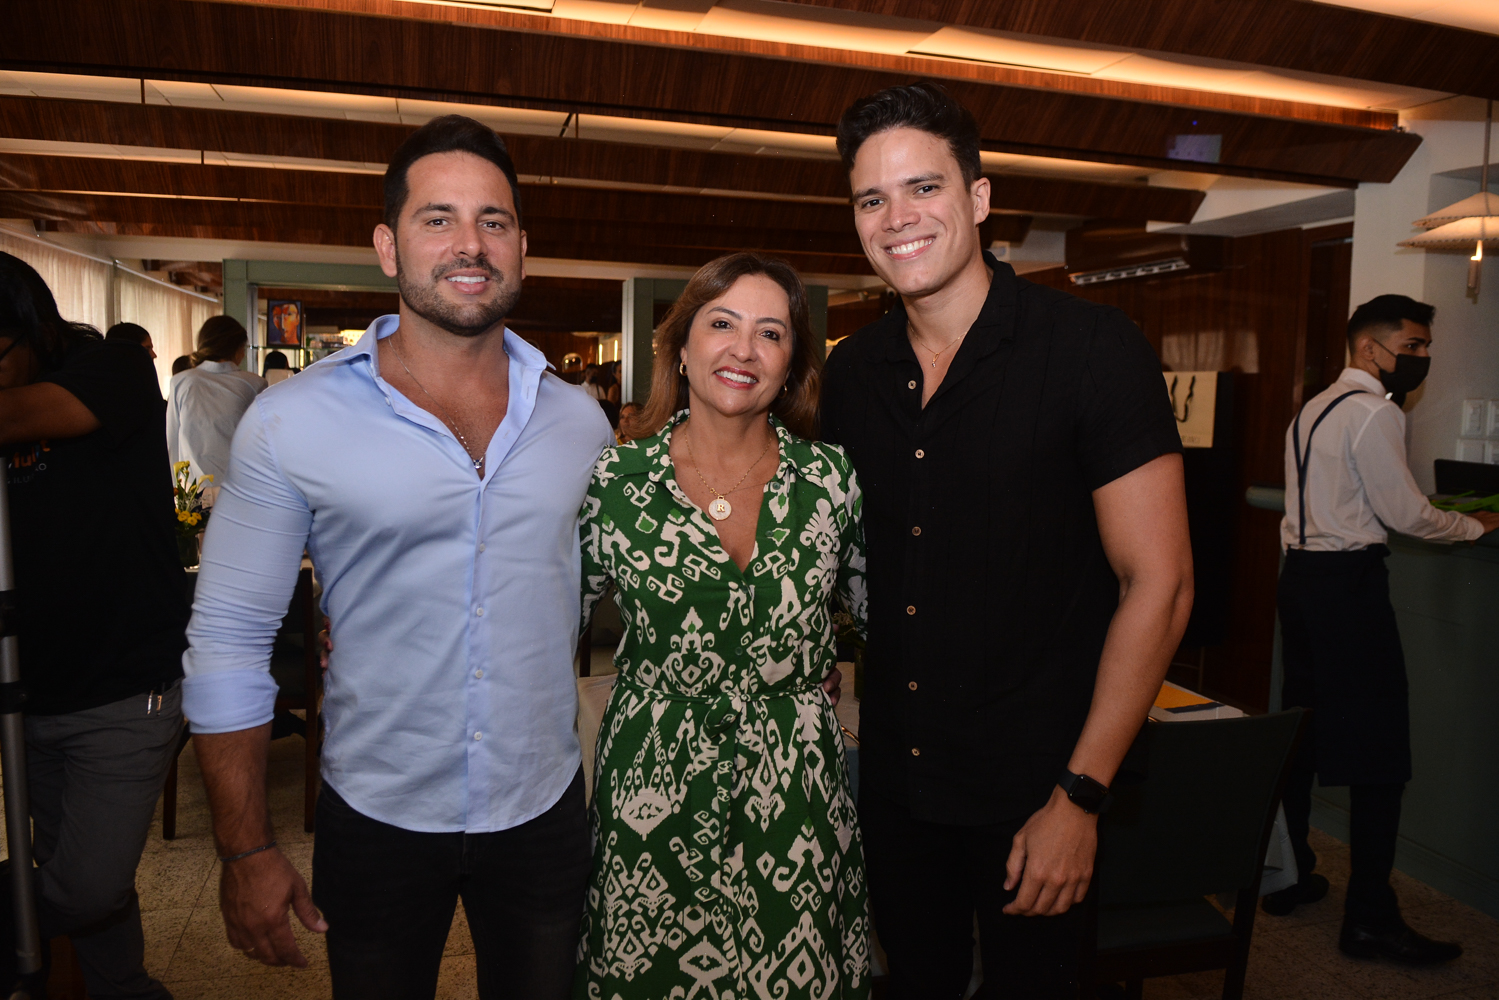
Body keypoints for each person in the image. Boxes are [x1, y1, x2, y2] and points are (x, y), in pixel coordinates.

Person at [181, 115, 614, 1000]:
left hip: (541, 809)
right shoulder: (292, 420)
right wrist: (246, 847)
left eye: (493, 221)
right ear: (387, 247)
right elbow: (227, 638)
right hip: (376, 812)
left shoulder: (579, 422)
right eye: (437, 218)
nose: (470, 244)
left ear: (522, 249)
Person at [819, 83, 1193, 998]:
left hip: (1040, 789)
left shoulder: (1092, 349)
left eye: (923, 188)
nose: (897, 219)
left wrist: (1080, 796)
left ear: (978, 198)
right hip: (899, 787)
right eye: (871, 199)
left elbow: (1159, 583)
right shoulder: (853, 373)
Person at [575, 252, 869, 999]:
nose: (744, 350)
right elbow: (544, 624)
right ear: (681, 347)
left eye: (770, 333)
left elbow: (885, 615)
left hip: (793, 790)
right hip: (653, 788)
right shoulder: (616, 483)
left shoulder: (830, 481)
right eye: (722, 324)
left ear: (791, 363)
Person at [1271, 294, 1498, 963]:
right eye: (1412, 346)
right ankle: (1370, 917)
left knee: (1302, 732)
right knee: (1380, 755)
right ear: (1370, 348)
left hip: (1301, 582)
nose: (1421, 358)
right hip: (1349, 588)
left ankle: (1286, 876)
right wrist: (1472, 525)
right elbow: (1406, 513)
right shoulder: (1374, 413)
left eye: (1425, 347)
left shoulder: (1314, 406)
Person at [0, 252, 188, 1000]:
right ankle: (123, 987)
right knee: (76, 867)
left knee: (84, 885)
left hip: (124, 686)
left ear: (31, 326)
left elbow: (17, 417)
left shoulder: (114, 366)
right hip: (33, 690)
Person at [165, 316, 267, 486]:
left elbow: (172, 443)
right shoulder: (254, 384)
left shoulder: (181, 382)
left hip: (192, 490)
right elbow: (261, 444)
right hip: (239, 488)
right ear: (237, 349)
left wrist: (176, 491)